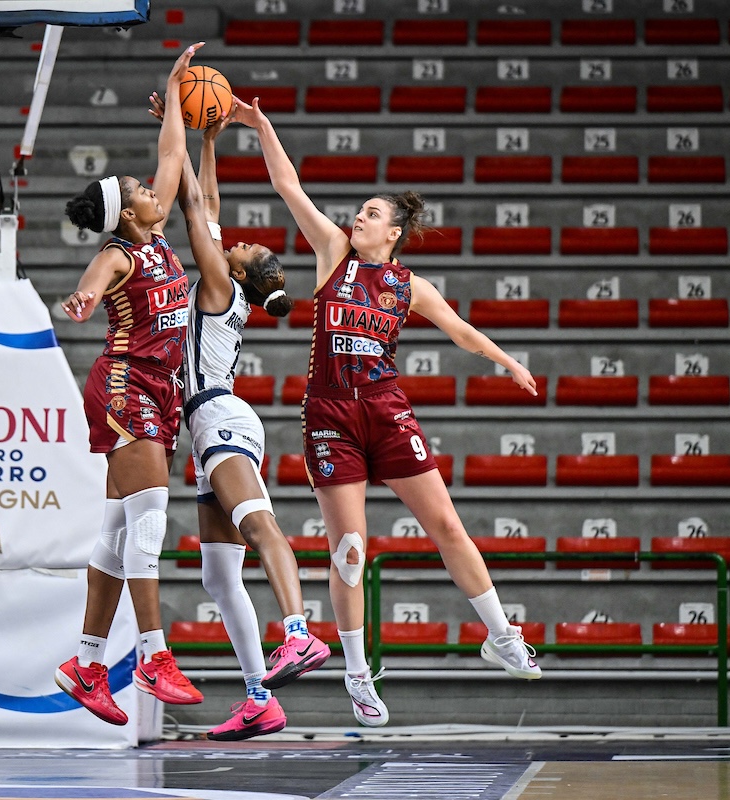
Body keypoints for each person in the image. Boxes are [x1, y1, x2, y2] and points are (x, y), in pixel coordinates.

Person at [233, 97, 542, 727]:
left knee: (448, 528)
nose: (358, 217)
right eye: (360, 211)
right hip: (329, 415)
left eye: (371, 213)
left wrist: (508, 363)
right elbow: (287, 184)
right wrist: (262, 126)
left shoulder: (410, 286)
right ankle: (356, 673)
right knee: (349, 548)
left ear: (392, 232)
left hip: (386, 409)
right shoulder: (330, 253)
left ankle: (500, 634)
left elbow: (461, 331)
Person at [147, 93, 330, 741]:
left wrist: (176, 117)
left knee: (260, 526)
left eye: (247, 247)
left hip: (219, 417)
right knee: (220, 575)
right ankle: (259, 698)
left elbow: (198, 209)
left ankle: (301, 633)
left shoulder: (219, 287)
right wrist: (209, 141)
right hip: (208, 425)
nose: (241, 240)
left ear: (242, 273)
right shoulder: (225, 285)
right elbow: (213, 210)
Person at [53, 44, 205, 726]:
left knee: (115, 532)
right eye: (141, 191)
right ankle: (152, 654)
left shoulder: (152, 233)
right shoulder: (118, 251)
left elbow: (172, 156)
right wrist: (81, 302)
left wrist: (173, 90)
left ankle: (86, 665)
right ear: (127, 213)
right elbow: (90, 282)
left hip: (156, 387)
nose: (153, 188)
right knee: (148, 521)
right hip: (124, 384)